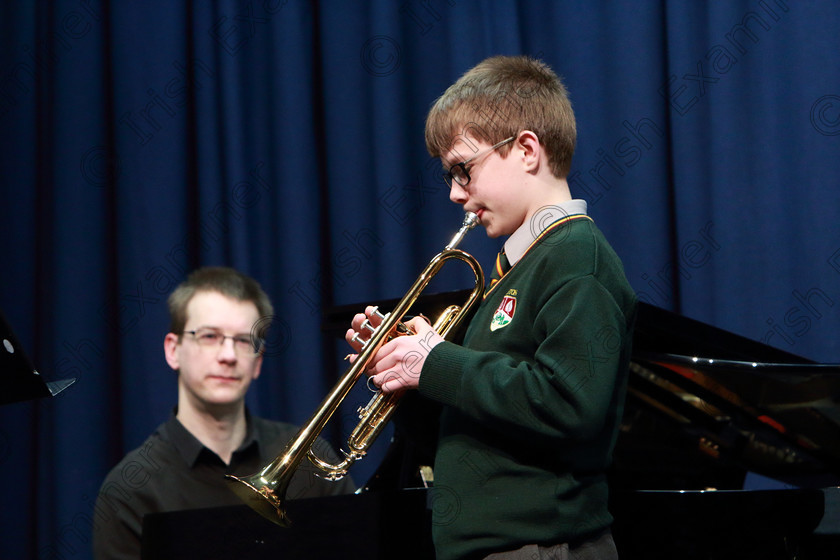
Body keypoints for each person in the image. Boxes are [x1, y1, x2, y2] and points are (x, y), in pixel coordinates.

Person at [346, 56, 637, 559]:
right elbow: (461, 438)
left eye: (465, 169)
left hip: (543, 548)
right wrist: (406, 379)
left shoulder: (576, 256)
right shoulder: (512, 268)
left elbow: (571, 406)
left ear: (526, 149)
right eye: (450, 177)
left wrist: (437, 362)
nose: (457, 193)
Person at [93, 267, 355, 560]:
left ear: (258, 362)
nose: (228, 355)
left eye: (244, 341)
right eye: (209, 336)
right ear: (173, 350)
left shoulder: (312, 460)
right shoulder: (128, 490)